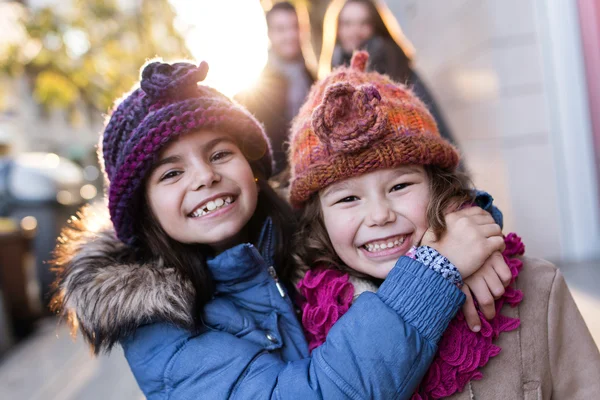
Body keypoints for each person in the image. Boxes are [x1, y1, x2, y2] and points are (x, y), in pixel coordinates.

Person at [50, 59, 506, 399]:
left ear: (252, 167)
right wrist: (436, 270)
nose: (205, 177)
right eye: (171, 173)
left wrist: (466, 225)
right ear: (143, 208)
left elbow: (379, 208)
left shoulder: (291, 237)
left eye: (219, 154)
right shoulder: (158, 329)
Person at [289, 51, 600, 399]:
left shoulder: (535, 287)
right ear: (319, 219)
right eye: (348, 199)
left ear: (439, 186)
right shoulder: (297, 317)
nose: (379, 215)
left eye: (400, 186)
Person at [320, 0, 457, 147]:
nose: (355, 31)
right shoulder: (331, 74)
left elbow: (435, 123)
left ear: (376, 26)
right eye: (347, 24)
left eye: (364, 23)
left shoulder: (395, 63)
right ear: (337, 29)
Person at [236, 2, 313, 186]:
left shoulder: (311, 76)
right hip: (280, 183)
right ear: (270, 34)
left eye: (295, 27)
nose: (290, 35)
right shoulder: (259, 89)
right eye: (281, 29)